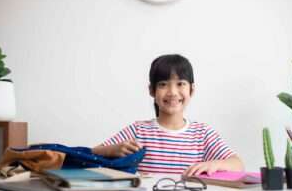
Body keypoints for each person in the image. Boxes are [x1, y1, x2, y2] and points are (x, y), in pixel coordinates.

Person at [92, 54, 244, 176]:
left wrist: (215, 164)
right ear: (152, 90)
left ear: (192, 90)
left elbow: (238, 164)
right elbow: (93, 152)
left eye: (180, 84)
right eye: (163, 84)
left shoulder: (202, 133)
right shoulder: (138, 130)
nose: (172, 92)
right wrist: (111, 151)